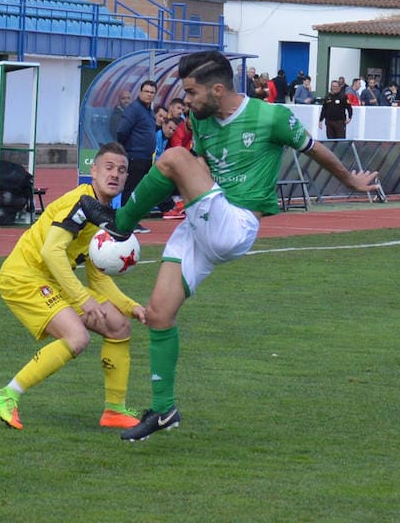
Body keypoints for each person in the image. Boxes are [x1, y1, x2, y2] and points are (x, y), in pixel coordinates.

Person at [76, 50, 378, 441]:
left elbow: (314, 149)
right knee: (157, 315)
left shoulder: (271, 117)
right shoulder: (202, 122)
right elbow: (199, 166)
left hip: (235, 223)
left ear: (218, 89)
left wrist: (350, 180)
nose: (186, 101)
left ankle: (117, 224)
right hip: (202, 221)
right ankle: (165, 411)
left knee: (172, 158)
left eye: (191, 92)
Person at [0, 142, 146, 431]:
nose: (115, 175)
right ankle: (7, 394)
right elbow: (51, 252)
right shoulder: (80, 203)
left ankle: (114, 410)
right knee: (77, 338)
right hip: (24, 277)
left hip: (53, 279)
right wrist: (85, 301)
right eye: (108, 168)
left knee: (119, 326)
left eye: (121, 170)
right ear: (93, 171)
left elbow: (97, 277)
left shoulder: (103, 214)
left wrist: (132, 307)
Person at [116, 80, 157, 234]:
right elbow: (122, 131)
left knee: (138, 190)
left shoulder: (148, 111)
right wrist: (126, 150)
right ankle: (127, 223)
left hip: (146, 157)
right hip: (134, 156)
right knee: (130, 189)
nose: (149, 94)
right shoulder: (134, 109)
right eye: (146, 91)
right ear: (140, 92)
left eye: (152, 92)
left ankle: (132, 221)